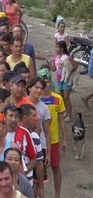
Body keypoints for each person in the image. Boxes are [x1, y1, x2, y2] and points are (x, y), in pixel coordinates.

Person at [37, 67, 67, 198]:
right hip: (38, 142)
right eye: (43, 82)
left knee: (56, 168)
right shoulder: (35, 100)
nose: (46, 84)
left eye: (47, 81)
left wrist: (64, 139)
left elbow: (61, 120)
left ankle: (57, 195)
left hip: (54, 140)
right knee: (39, 172)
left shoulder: (58, 99)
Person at [3, 104, 37, 182]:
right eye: (10, 116)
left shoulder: (25, 133)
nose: (14, 119)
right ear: (4, 117)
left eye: (16, 116)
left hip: (24, 179)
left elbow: (34, 159)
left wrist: (22, 175)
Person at [47, 41, 78, 121]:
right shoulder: (56, 57)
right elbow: (53, 69)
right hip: (59, 79)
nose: (55, 49)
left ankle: (69, 115)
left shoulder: (67, 57)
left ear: (62, 48)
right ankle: (65, 112)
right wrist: (48, 62)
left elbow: (75, 65)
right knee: (62, 97)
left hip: (67, 79)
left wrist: (69, 72)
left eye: (57, 47)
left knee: (66, 97)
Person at [25, 77, 52, 172]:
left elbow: (47, 131)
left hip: (40, 145)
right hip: (24, 145)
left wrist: (48, 153)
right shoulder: (21, 104)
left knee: (39, 180)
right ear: (29, 88)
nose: (39, 90)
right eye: (36, 87)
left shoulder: (44, 108)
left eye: (41, 88)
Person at [19, 104, 45, 198]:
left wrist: (41, 187)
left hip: (28, 186)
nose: (37, 118)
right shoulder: (12, 136)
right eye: (34, 115)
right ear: (25, 118)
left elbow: (39, 163)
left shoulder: (34, 136)